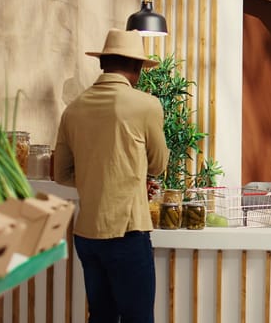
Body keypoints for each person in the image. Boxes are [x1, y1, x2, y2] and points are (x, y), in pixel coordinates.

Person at [53, 28, 169, 323]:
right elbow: (158, 164)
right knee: (138, 318)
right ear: (136, 67)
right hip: (126, 232)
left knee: (101, 317)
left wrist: (101, 176)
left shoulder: (73, 109)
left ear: (103, 63)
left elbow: (61, 173)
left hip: (87, 235)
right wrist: (127, 175)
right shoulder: (145, 104)